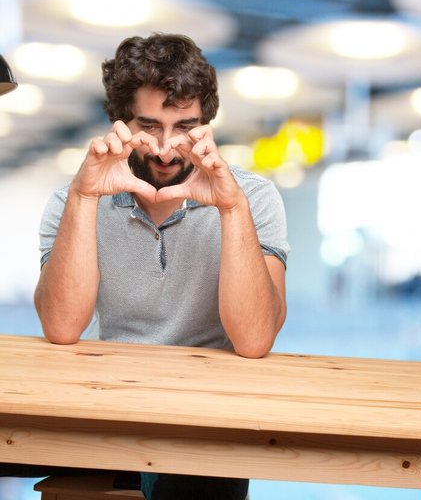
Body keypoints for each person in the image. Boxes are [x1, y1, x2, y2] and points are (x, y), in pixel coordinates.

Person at [1, 33, 289, 499]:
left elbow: (255, 340)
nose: (165, 147)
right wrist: (85, 196)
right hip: (107, 411)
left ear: (207, 124)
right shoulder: (74, 198)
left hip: (209, 421)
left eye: (185, 126)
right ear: (121, 121)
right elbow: (61, 326)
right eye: (149, 126)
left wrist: (230, 209)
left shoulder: (252, 197)